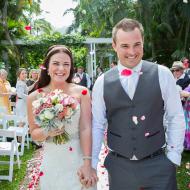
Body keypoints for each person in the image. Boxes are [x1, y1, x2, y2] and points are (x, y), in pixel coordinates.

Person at [92, 18, 185, 190]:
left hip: (158, 164)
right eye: (125, 46)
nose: (132, 52)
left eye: (137, 44)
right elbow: (97, 124)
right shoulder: (102, 82)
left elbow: (175, 116)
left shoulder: (163, 74)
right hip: (119, 167)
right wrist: (92, 162)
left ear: (143, 43)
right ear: (114, 45)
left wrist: (173, 156)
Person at [27, 45, 97, 190]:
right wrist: (48, 131)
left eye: (66, 64)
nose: (61, 68)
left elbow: (85, 128)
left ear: (71, 67)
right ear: (46, 66)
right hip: (52, 162)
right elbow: (34, 134)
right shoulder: (34, 97)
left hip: (78, 159)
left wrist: (87, 163)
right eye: (56, 63)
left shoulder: (82, 93)